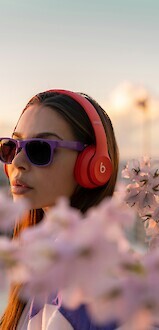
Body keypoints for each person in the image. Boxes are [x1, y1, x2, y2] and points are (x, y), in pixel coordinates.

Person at [0, 89, 119, 329]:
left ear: (93, 165)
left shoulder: (84, 281)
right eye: (12, 147)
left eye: (40, 149)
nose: (18, 163)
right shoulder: (45, 259)